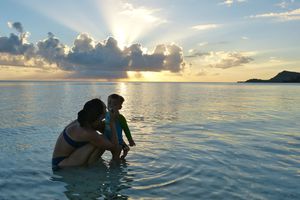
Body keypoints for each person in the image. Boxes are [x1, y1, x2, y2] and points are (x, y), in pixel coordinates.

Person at [52, 98, 121, 171]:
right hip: (61, 165)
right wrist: (112, 123)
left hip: (59, 161)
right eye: (105, 111)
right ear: (99, 117)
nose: (107, 112)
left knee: (102, 140)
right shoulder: (87, 132)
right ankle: (113, 168)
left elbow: (104, 129)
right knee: (102, 141)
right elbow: (114, 147)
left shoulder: (84, 121)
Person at [104, 94, 136, 159]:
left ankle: (124, 152)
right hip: (107, 139)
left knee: (115, 158)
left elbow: (126, 130)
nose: (111, 106)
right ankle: (126, 148)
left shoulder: (121, 118)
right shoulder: (106, 115)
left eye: (115, 104)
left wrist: (130, 140)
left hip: (118, 142)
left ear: (120, 107)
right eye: (109, 103)